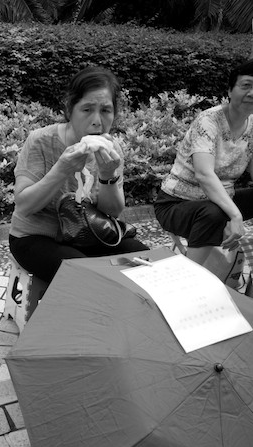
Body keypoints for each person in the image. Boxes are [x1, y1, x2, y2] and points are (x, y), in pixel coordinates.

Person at [153, 57, 253, 279]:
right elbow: (204, 174)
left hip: (222, 202)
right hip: (176, 204)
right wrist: (235, 216)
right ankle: (185, 279)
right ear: (230, 90)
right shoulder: (208, 121)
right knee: (214, 214)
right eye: (246, 85)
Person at [8, 66, 149, 284]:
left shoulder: (112, 150)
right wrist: (62, 169)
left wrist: (107, 174)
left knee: (144, 263)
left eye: (105, 110)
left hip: (90, 234)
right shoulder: (41, 141)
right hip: (37, 236)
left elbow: (112, 212)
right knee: (87, 277)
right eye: (87, 109)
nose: (97, 120)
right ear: (70, 109)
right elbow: (25, 206)